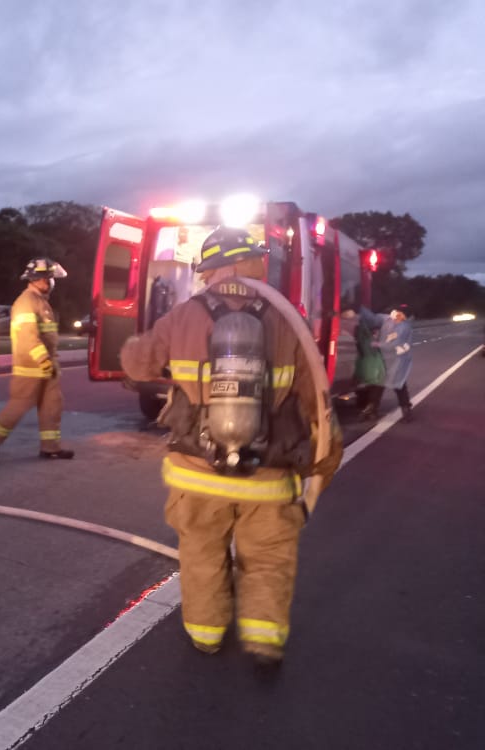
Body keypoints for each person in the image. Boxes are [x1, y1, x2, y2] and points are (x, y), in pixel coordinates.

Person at [120, 227, 343, 668]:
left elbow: (137, 362)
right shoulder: (287, 319)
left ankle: (206, 635)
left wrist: (133, 344)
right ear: (249, 262)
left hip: (196, 472)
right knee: (268, 560)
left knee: (201, 554)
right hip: (269, 477)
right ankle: (264, 640)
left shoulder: (184, 314)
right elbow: (315, 398)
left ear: (217, 268)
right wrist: (323, 462)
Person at [0, 258, 73, 460]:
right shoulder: (26, 302)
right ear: (40, 279)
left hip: (48, 366)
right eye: (49, 278)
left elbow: (47, 336)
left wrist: (49, 363)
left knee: (52, 406)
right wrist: (43, 360)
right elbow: (28, 336)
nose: (52, 282)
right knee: (19, 405)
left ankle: (50, 448)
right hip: (31, 366)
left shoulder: (40, 301)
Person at [358, 303, 415, 422]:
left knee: (396, 384)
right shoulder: (388, 320)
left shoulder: (403, 327)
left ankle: (405, 410)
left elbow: (394, 344)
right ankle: (372, 409)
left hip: (396, 359)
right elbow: (372, 319)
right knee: (381, 383)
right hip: (388, 358)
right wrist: (359, 308)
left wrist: (377, 344)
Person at [341, 309, 385, 415]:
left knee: (367, 385)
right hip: (371, 365)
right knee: (377, 385)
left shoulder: (356, 331)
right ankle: (371, 409)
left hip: (362, 364)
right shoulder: (365, 333)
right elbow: (370, 350)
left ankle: (363, 405)